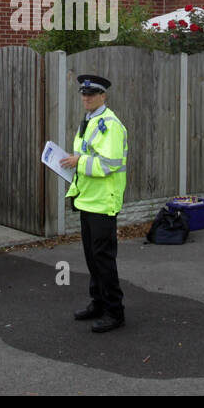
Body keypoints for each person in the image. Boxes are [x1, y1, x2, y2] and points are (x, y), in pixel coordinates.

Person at [60, 74, 128, 333]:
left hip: (103, 201)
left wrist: (79, 162)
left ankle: (115, 312)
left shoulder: (109, 124)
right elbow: (88, 154)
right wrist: (73, 161)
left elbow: (110, 165)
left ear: (103, 96)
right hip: (88, 199)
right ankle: (98, 302)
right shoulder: (90, 121)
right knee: (92, 257)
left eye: (92, 94)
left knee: (104, 259)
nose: (86, 97)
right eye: (83, 94)